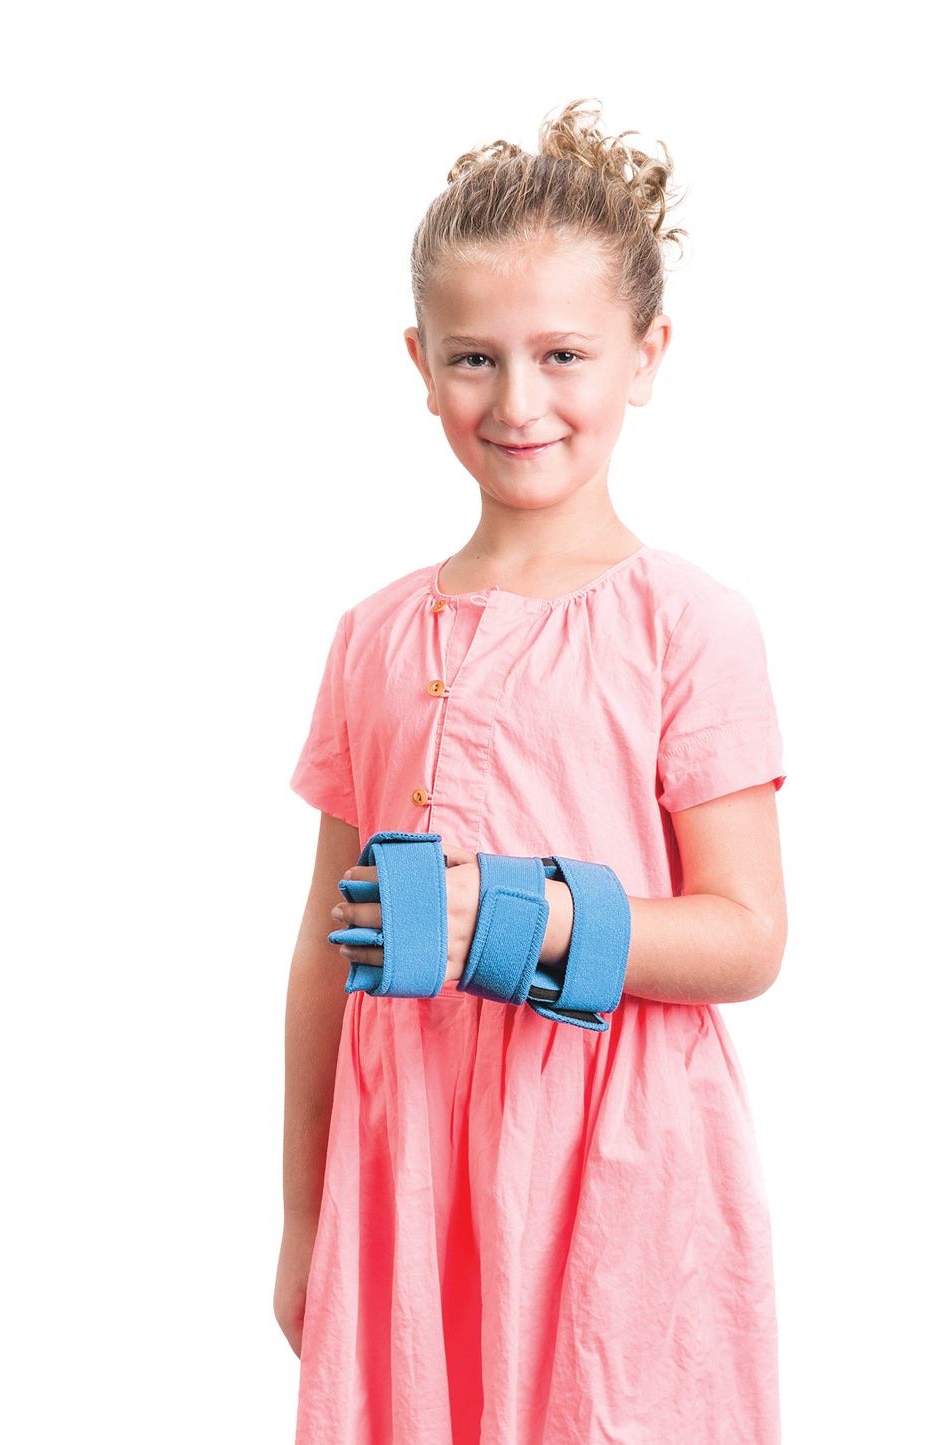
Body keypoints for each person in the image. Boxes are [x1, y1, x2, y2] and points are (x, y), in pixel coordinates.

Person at [275, 99, 788, 1444]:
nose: (516, 402)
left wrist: (518, 916)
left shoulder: (688, 622)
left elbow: (746, 935)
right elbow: (325, 952)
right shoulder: (374, 634)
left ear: (644, 355)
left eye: (562, 353)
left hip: (617, 1166)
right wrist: (304, 1213)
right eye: (472, 358)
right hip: (410, 1171)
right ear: (417, 358)